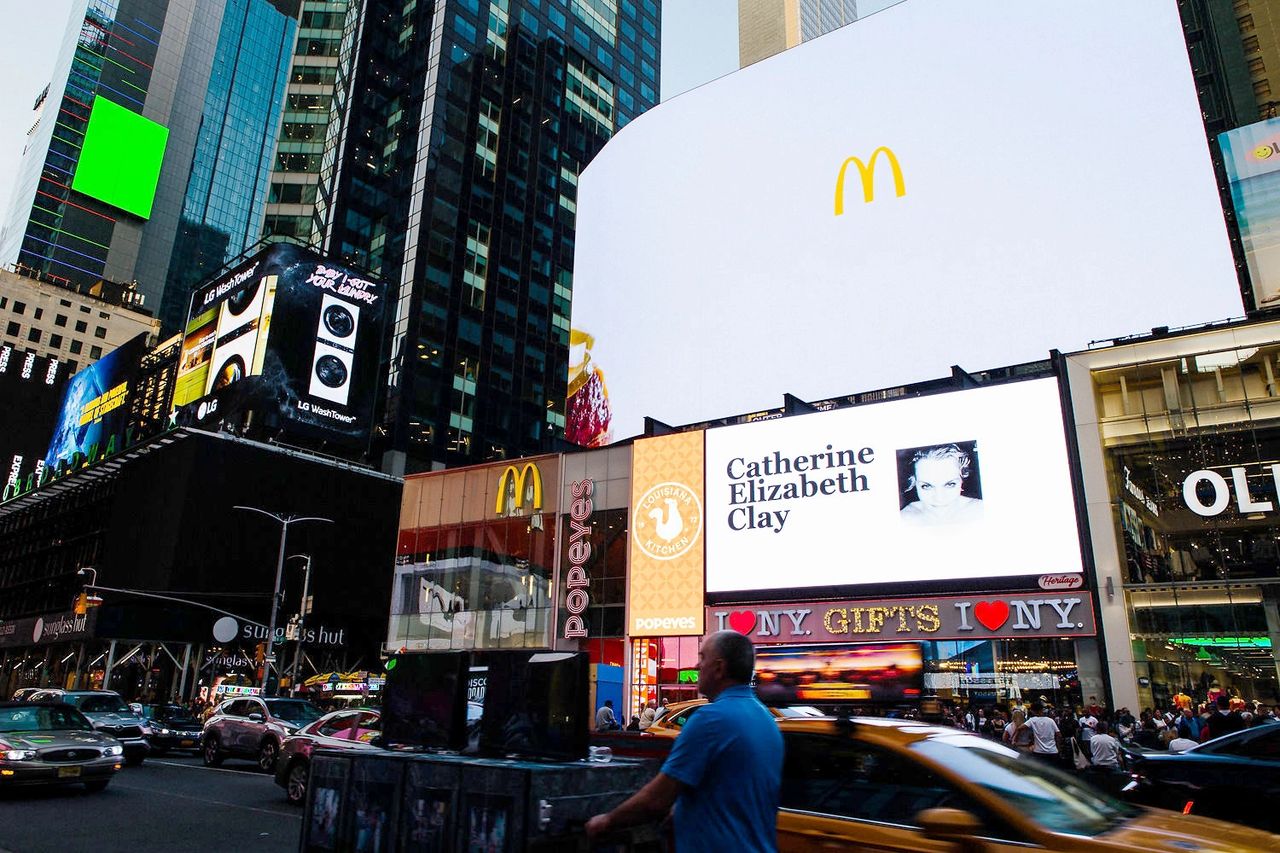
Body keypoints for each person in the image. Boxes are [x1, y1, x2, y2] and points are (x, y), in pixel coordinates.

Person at [586, 631, 783, 852]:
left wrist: (607, 821)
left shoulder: (709, 719)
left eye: (703, 657)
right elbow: (731, 789)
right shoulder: (768, 721)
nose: (697, 665)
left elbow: (656, 799)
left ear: (719, 668)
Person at [899, 444, 983, 525]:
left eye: (950, 484)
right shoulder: (904, 518)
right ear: (914, 483)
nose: (939, 499)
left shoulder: (981, 510)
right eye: (926, 486)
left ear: (962, 480)